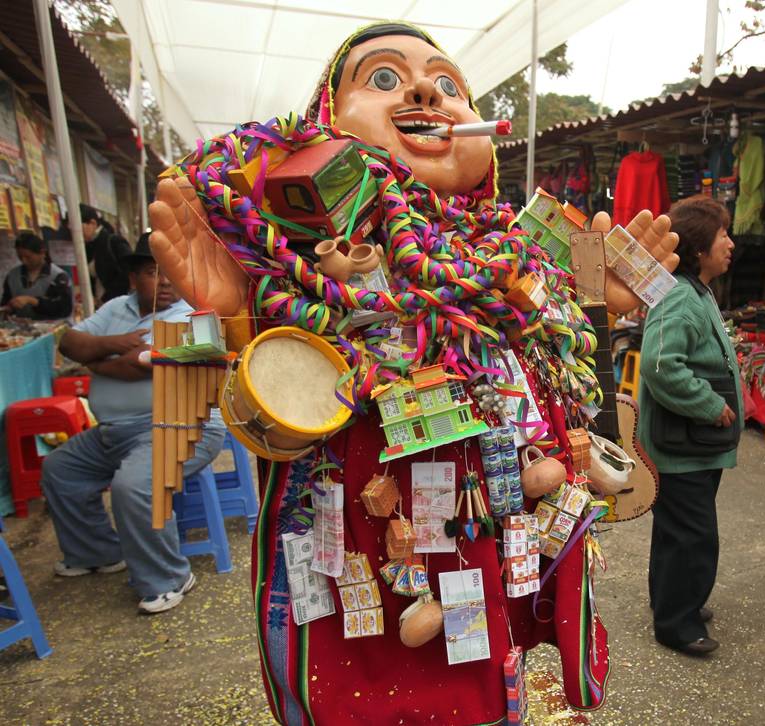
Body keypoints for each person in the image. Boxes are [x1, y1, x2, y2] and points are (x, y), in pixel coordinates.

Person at [145, 22, 678, 723]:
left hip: (492, 568)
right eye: (384, 79)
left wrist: (596, 321)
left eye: (451, 86)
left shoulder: (524, 264)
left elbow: (584, 441)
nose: (428, 90)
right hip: (368, 582)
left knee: (495, 689)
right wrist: (235, 315)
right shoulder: (292, 265)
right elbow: (247, 423)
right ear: (323, 127)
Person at [42, 237, 226, 614]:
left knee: (135, 486)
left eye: (171, 271)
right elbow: (70, 344)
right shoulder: (116, 307)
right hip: (114, 431)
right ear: (133, 277)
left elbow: (133, 366)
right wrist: (115, 343)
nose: (163, 281)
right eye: (151, 271)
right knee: (60, 469)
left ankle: (171, 577)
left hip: (184, 426)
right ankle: (98, 553)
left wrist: (99, 359)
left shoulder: (199, 312)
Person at [638, 197, 741, 656]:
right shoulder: (679, 295)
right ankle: (677, 625)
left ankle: (675, 602)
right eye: (723, 235)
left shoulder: (696, 290)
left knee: (678, 532)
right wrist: (710, 405)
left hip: (692, 447)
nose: (731, 244)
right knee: (692, 537)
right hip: (683, 446)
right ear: (699, 248)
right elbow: (661, 366)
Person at [2, 230, 72, 319]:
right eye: (20, 257)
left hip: (51, 330)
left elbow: (64, 310)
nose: (24, 261)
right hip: (22, 330)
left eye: (28, 257)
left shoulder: (59, 277)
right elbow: (6, 303)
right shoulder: (12, 276)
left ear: (42, 253)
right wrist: (9, 308)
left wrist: (33, 301)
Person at [77, 204, 133, 304]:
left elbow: (128, 273)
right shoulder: (87, 246)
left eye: (78, 228)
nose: (75, 233)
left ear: (93, 223)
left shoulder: (113, 241)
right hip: (101, 305)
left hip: (119, 304)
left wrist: (105, 299)